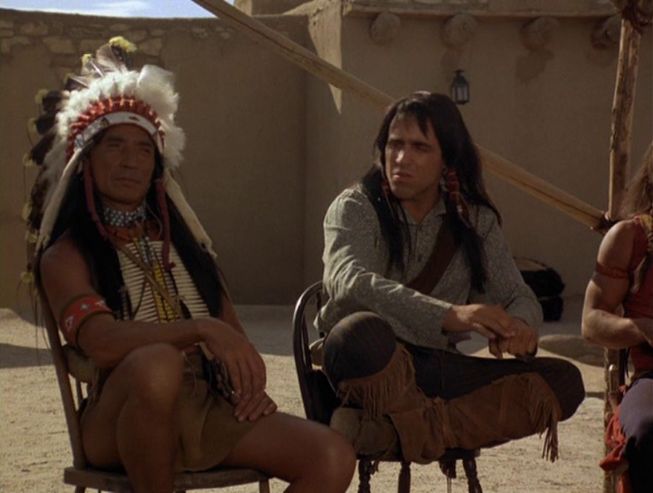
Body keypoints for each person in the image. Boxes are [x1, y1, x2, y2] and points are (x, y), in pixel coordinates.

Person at [26, 38, 355, 493]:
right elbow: (101, 343)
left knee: (331, 455)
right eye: (114, 146)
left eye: (144, 150)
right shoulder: (65, 255)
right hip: (118, 417)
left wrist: (247, 387)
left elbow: (233, 339)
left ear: (157, 166)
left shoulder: (187, 249)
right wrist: (200, 329)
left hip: (206, 408)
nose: (130, 161)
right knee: (157, 363)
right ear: (86, 161)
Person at [317, 91, 585, 464]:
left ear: (447, 160)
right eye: (395, 144)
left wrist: (521, 325)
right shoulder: (356, 207)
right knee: (355, 334)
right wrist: (450, 315)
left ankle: (400, 432)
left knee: (564, 381)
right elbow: (350, 281)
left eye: (419, 147)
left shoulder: (475, 221)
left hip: (434, 368)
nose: (401, 158)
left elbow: (517, 294)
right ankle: (432, 427)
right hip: (373, 366)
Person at [582, 143, 653, 493]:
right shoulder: (631, 237)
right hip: (652, 377)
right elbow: (591, 321)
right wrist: (642, 328)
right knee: (648, 429)